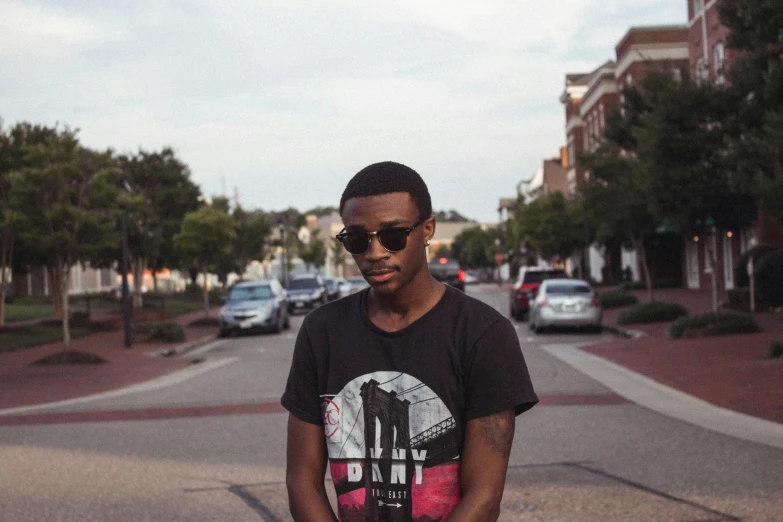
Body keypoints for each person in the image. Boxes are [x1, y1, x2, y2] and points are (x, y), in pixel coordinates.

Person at [282, 161, 538, 521]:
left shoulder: (483, 334)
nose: (374, 253)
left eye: (393, 235)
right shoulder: (321, 332)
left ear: (428, 229)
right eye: (357, 240)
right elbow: (302, 480)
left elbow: (485, 496)